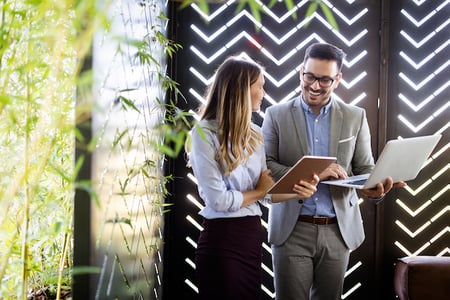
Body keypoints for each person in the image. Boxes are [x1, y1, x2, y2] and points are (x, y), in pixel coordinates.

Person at [261, 42, 406, 300]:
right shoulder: (276, 115)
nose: (315, 85)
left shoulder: (355, 116)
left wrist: (376, 190)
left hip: (338, 231)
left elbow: (365, 169)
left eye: (325, 80)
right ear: (300, 71)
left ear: (337, 79)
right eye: (310, 76)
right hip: (291, 230)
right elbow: (266, 168)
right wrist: (317, 171)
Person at [187, 56, 319, 300]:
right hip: (222, 240)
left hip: (250, 239)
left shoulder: (255, 134)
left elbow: (265, 194)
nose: (263, 92)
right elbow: (219, 201)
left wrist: (298, 189)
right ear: (241, 90)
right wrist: (260, 192)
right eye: (259, 86)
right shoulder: (203, 133)